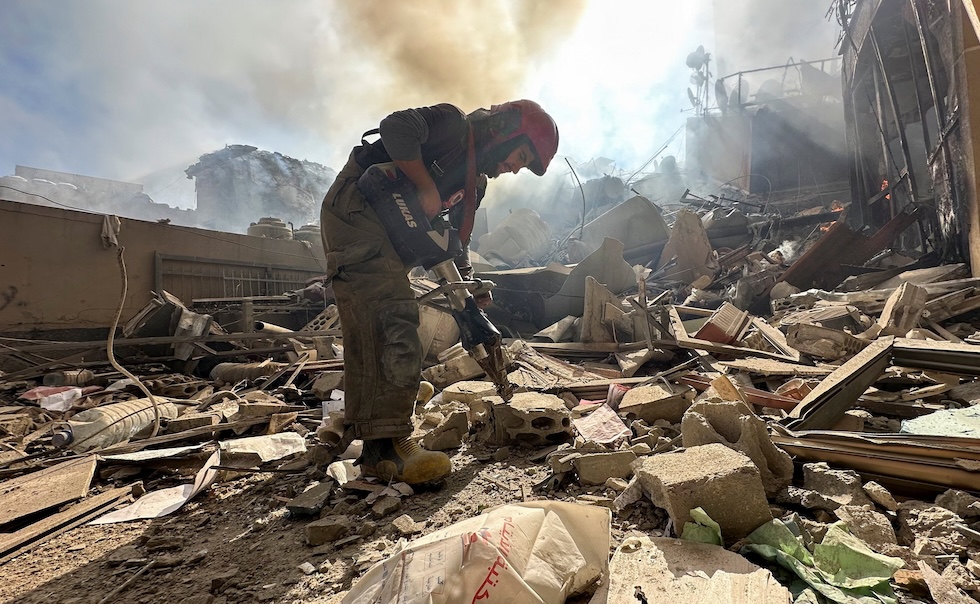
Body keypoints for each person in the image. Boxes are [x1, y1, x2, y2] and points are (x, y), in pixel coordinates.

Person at [319, 100, 559, 485]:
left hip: (385, 233)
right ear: (507, 131)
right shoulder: (452, 125)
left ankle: (373, 437)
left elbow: (453, 241)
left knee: (376, 321)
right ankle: (387, 449)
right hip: (357, 210)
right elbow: (396, 126)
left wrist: (468, 287)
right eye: (521, 155)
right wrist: (425, 185)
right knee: (390, 314)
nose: (515, 167)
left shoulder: (473, 184)